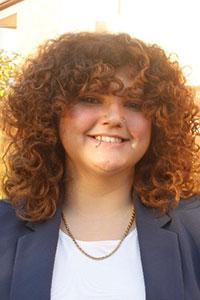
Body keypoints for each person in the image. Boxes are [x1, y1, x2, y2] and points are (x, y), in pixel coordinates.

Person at [0, 32, 199, 300]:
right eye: (91, 98)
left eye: (134, 103)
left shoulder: (193, 229)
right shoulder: (3, 230)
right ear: (51, 112)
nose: (115, 118)